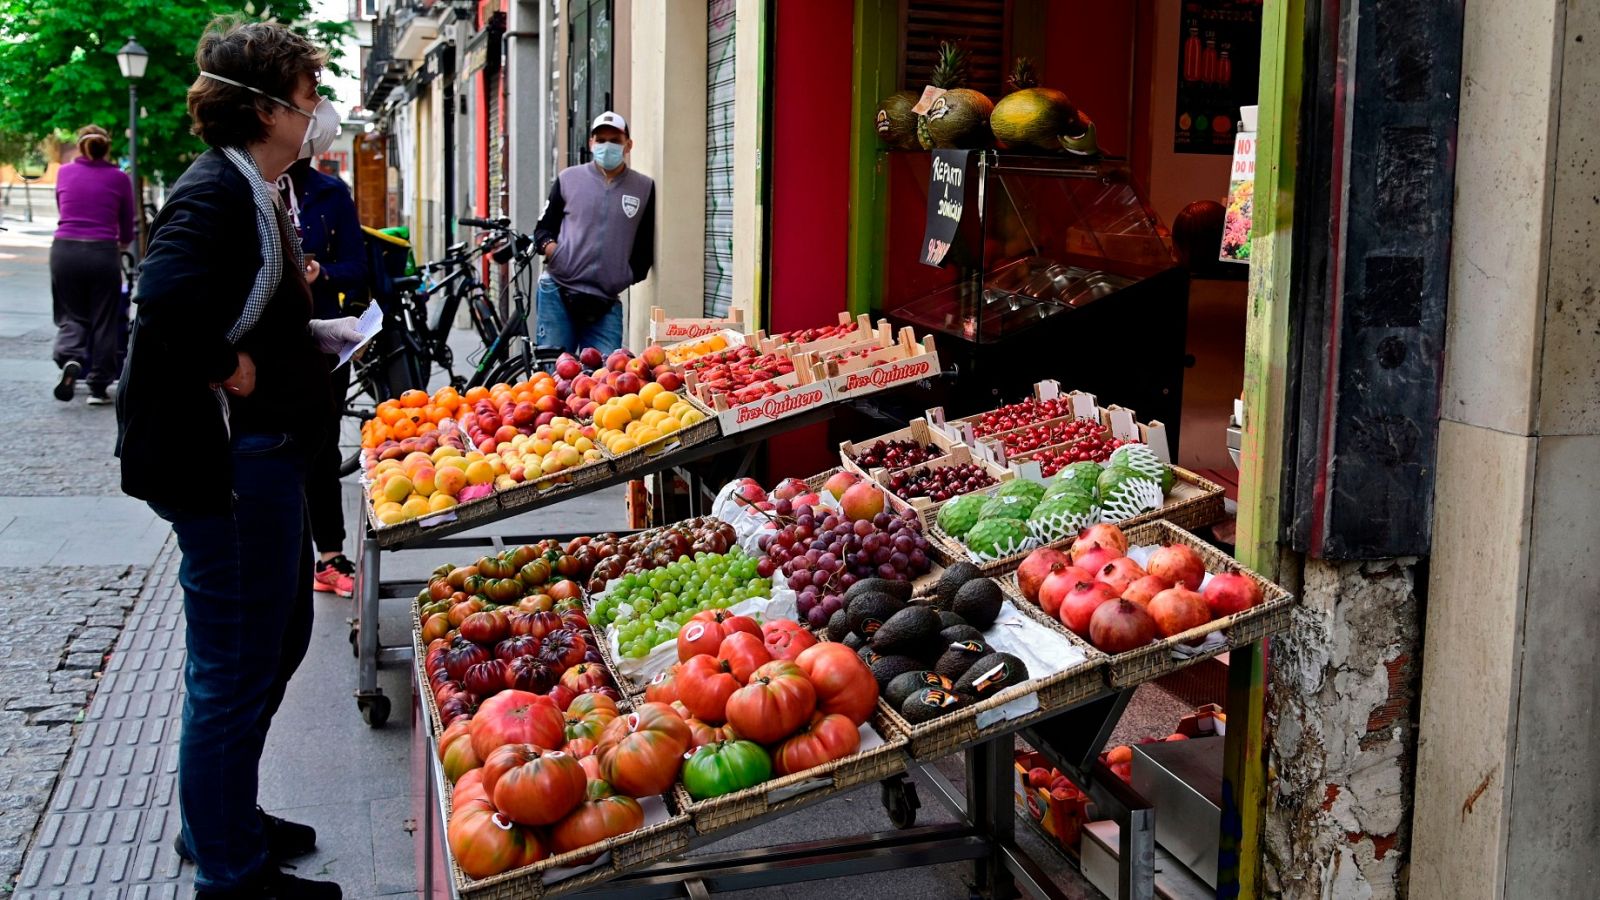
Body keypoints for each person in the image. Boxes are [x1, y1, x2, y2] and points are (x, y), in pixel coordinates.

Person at [114, 17, 359, 900]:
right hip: (226, 467)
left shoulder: (257, 185)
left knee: (276, 640)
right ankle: (229, 869)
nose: (316, 109)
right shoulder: (215, 191)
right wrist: (228, 363)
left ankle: (223, 818)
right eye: (306, 95)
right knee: (235, 661)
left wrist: (303, 337)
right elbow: (163, 301)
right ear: (263, 109)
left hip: (264, 457)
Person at [277, 158, 366, 598]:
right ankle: (281, 561)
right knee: (274, 450)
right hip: (266, 345)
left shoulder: (330, 192)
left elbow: (357, 264)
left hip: (324, 337)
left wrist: (323, 273)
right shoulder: (244, 184)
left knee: (322, 445)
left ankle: (329, 556)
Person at [532, 111, 655, 355]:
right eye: (601, 140)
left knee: (606, 373)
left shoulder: (643, 187)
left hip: (606, 300)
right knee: (553, 372)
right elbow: (543, 229)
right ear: (591, 143)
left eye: (615, 140)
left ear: (628, 145)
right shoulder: (569, 179)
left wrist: (624, 275)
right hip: (557, 292)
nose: (607, 146)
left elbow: (644, 246)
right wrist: (554, 251)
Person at [51, 125, 135, 405]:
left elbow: (63, 207)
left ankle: (70, 358)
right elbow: (127, 223)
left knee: (71, 312)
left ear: (80, 146)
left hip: (65, 250)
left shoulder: (64, 172)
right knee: (104, 318)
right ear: (107, 147)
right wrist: (122, 245)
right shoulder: (119, 178)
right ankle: (98, 386)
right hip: (102, 251)